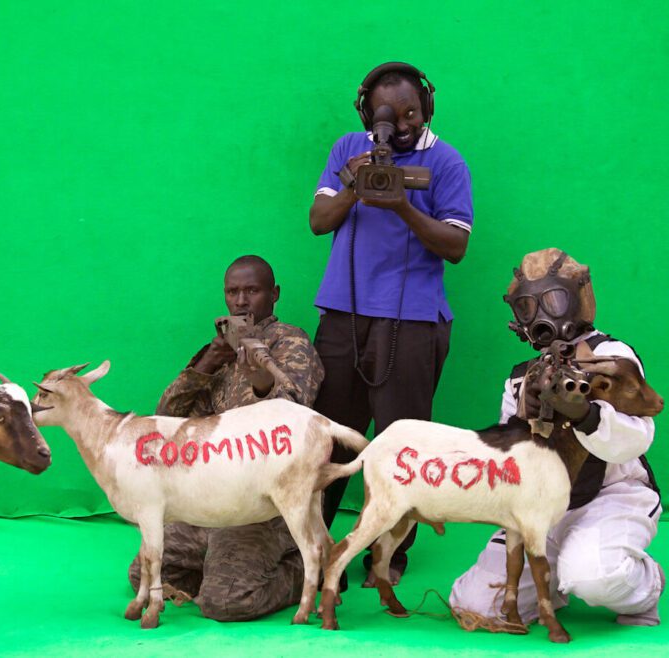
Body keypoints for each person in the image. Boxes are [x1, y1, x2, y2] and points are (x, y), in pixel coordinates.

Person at [308, 62, 473, 586]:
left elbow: (456, 246)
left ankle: (389, 554)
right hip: (343, 313)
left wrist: (401, 203)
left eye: (410, 114)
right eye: (387, 115)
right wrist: (356, 184)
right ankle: (311, 545)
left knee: (401, 442)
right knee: (331, 437)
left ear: (427, 109)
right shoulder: (345, 150)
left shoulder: (447, 163)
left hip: (413, 321)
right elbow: (319, 222)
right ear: (365, 112)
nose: (399, 125)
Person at [449, 248, 663, 627]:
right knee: (476, 604)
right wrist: (522, 418)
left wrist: (586, 414)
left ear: (578, 297)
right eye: (527, 307)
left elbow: (636, 439)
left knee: (595, 576)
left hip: (609, 497)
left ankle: (644, 586)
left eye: (553, 300)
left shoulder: (611, 356)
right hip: (543, 508)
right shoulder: (520, 378)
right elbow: (507, 464)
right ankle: (554, 584)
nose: (541, 316)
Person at [128, 255, 324, 621]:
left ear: (274, 294)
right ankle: (222, 565)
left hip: (267, 505)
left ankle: (309, 561)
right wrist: (206, 364)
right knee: (144, 572)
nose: (241, 300)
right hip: (211, 499)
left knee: (227, 601)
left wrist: (264, 381)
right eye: (233, 291)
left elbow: (295, 418)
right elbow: (168, 418)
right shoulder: (219, 350)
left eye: (252, 290)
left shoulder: (291, 343)